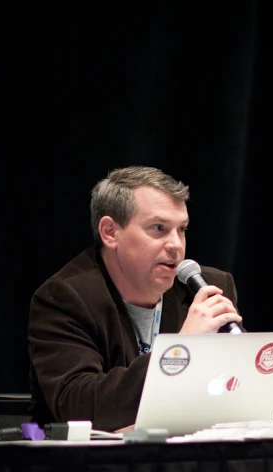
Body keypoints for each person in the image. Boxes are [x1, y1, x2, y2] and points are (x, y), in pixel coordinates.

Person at [27, 166, 243, 432]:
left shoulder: (207, 290)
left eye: (182, 229)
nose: (176, 244)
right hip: (94, 467)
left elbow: (238, 394)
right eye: (158, 228)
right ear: (110, 232)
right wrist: (181, 349)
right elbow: (79, 407)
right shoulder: (65, 298)